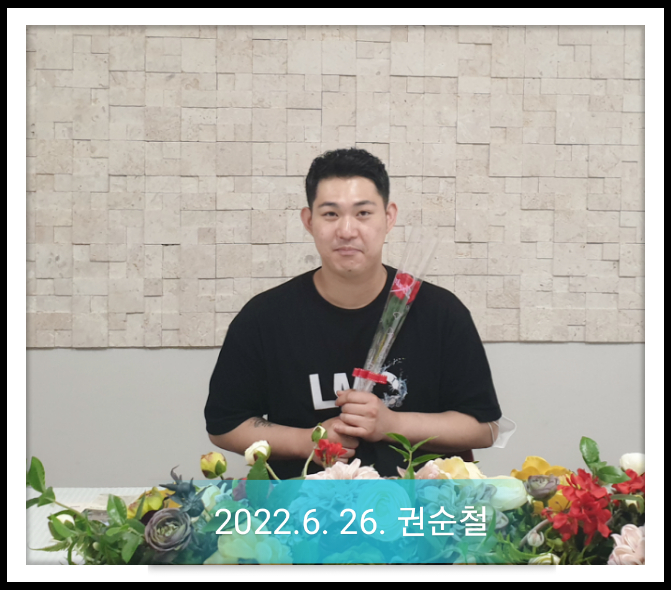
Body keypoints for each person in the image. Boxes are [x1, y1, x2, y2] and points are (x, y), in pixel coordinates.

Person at [205, 148, 502, 479]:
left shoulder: (440, 313)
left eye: (363, 213)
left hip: (417, 504)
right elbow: (225, 425)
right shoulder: (265, 318)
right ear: (309, 221)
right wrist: (309, 441)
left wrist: (393, 424)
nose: (347, 230)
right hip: (301, 505)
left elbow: (484, 427)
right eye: (331, 214)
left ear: (389, 217)